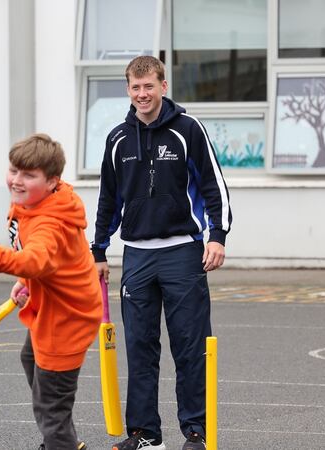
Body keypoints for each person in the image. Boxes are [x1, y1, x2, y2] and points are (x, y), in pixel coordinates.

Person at [91, 56, 232, 450]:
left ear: (163, 86)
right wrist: (99, 247)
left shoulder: (188, 129)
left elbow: (213, 186)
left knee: (190, 346)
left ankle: (196, 432)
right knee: (139, 348)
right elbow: (108, 198)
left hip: (183, 254)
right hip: (135, 256)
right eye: (135, 88)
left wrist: (217, 235)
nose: (143, 94)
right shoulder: (118, 137)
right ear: (128, 91)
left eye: (149, 86)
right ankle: (145, 434)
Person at [0, 134, 101, 450]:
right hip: (54, 302)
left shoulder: (50, 222)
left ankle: (60, 443)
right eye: (14, 170)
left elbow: (37, 258)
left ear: (53, 181)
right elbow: (46, 262)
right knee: (31, 361)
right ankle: (62, 438)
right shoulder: (36, 200)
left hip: (67, 316)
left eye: (29, 175)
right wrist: (25, 282)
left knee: (50, 405)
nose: (16, 180)